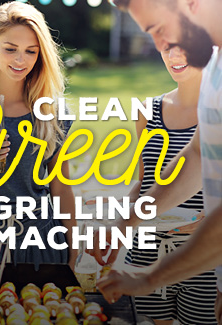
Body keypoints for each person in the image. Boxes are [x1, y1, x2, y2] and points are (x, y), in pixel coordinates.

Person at [88, 0, 222, 323]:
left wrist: (151, 278)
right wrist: (123, 227)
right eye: (154, 36)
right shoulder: (216, 71)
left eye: (160, 29)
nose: (163, 48)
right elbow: (195, 158)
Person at [0, 1, 77, 268]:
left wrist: (73, 248)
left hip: (41, 244)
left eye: (31, 51)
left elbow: (61, 187)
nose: (21, 60)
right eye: (11, 49)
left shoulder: (52, 110)